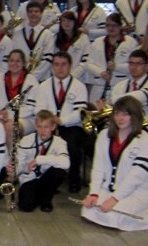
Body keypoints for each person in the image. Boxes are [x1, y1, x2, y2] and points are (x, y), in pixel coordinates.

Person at [81, 96, 148, 231]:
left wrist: (115, 199)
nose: (120, 118)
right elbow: (98, 168)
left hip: (137, 192)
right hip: (108, 189)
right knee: (88, 211)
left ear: (135, 116)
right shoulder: (104, 135)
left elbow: (137, 175)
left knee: (112, 216)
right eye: (117, 113)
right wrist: (93, 194)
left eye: (125, 114)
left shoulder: (147, 140)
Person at [33, 52, 89, 193]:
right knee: (41, 139)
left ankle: (74, 178)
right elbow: (38, 109)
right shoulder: (43, 86)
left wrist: (61, 120)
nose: (60, 68)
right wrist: (50, 121)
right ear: (52, 67)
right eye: (56, 64)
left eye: (64, 64)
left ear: (70, 66)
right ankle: (45, 178)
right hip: (48, 126)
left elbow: (80, 113)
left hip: (70, 126)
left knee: (72, 144)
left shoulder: (79, 86)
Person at [9, 110, 69, 212]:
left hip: (47, 178)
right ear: (35, 127)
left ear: (53, 127)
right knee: (25, 207)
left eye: (46, 127)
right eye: (40, 127)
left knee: (59, 171)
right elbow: (20, 162)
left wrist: (40, 159)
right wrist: (13, 171)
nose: (43, 130)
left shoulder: (60, 142)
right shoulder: (26, 140)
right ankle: (40, 195)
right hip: (29, 179)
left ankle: (46, 200)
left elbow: (66, 163)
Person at [102, 50, 148, 134]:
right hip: (122, 128)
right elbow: (113, 108)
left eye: (138, 64)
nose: (133, 67)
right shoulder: (120, 85)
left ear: (147, 66)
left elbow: (139, 97)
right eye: (131, 63)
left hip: (145, 130)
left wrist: (113, 101)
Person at [0, 49, 39, 146]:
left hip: (26, 119)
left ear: (24, 63)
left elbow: (31, 108)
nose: (14, 63)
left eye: (18, 61)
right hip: (1, 117)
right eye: (12, 60)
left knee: (10, 127)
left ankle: (11, 160)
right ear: (8, 62)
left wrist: (9, 114)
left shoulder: (31, 81)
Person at [86, 13, 139, 102]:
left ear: (120, 26)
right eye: (108, 25)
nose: (111, 28)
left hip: (120, 86)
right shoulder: (97, 42)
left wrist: (116, 66)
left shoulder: (130, 42)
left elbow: (135, 66)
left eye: (114, 25)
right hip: (99, 85)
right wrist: (101, 73)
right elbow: (89, 63)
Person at [11, 1, 52, 82]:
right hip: (21, 78)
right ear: (26, 14)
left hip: (42, 79)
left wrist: (33, 77)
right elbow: (15, 57)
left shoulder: (47, 34)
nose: (33, 14)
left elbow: (48, 58)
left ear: (41, 13)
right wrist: (23, 76)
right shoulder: (17, 34)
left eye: (36, 11)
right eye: (30, 11)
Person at [48, 11, 90, 82]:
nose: (66, 23)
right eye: (63, 21)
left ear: (74, 22)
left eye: (69, 20)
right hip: (58, 78)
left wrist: (72, 76)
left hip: (77, 78)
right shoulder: (55, 38)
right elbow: (51, 59)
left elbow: (86, 60)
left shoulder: (83, 38)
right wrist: (58, 74)